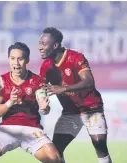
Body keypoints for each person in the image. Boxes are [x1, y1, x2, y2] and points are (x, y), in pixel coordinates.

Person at [38, 27, 112, 163]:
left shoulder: (76, 57)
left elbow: (89, 82)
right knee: (55, 151)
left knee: (100, 145)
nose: (40, 47)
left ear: (55, 45)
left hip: (91, 108)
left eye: (43, 44)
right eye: (39, 43)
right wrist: (43, 103)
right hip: (71, 112)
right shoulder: (45, 66)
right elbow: (41, 89)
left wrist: (63, 89)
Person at [0, 42, 61, 163]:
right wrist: (10, 102)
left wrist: (44, 108)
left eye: (20, 59)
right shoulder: (0, 81)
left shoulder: (38, 81)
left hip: (32, 130)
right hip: (7, 129)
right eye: (12, 58)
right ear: (8, 59)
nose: (16, 63)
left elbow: (44, 107)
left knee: (55, 159)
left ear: (27, 60)